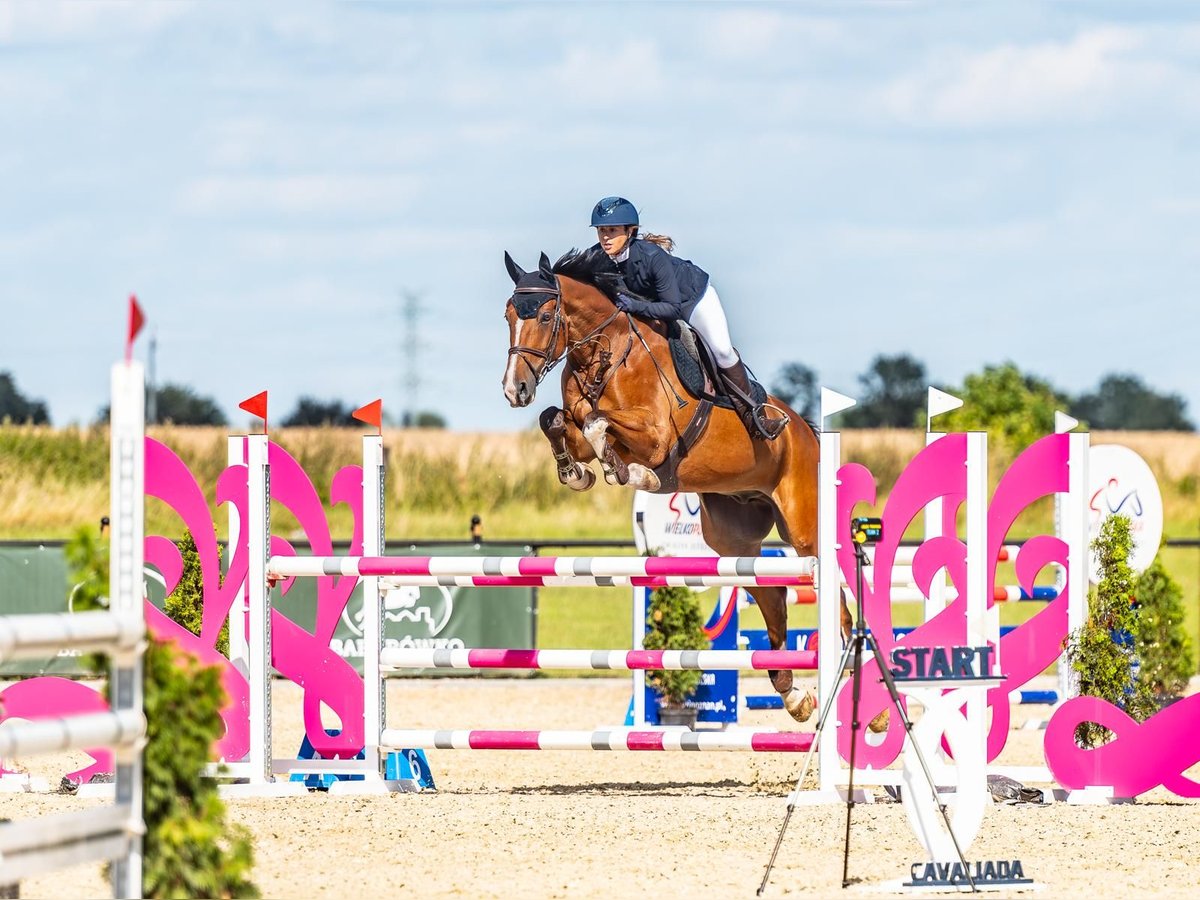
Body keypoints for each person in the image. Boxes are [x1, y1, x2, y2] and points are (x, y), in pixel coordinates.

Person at [588, 195, 787, 440]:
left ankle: (754, 416)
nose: (605, 237)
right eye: (601, 231)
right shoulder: (596, 257)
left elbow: (672, 308)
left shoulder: (652, 257)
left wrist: (635, 306)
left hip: (692, 299)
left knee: (722, 351)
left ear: (630, 231)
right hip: (652, 305)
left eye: (612, 230)